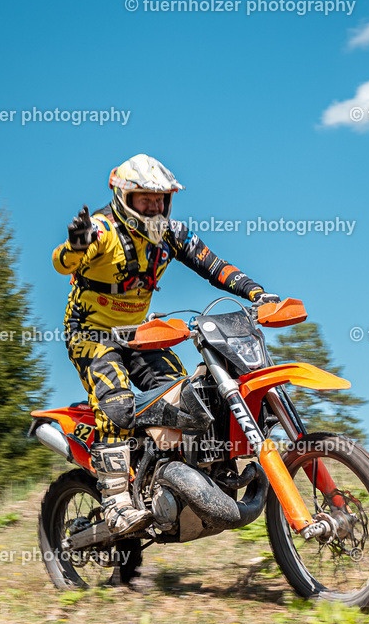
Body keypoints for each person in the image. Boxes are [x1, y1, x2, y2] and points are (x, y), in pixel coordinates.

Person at [52, 153, 278, 535]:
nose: (155, 206)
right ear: (125, 198)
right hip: (91, 333)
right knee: (117, 406)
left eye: (160, 199)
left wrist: (256, 292)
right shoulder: (102, 232)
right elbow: (63, 262)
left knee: (185, 398)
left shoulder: (172, 234)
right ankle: (116, 502)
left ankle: (190, 473)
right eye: (145, 199)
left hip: (140, 333)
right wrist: (76, 243)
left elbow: (213, 265)